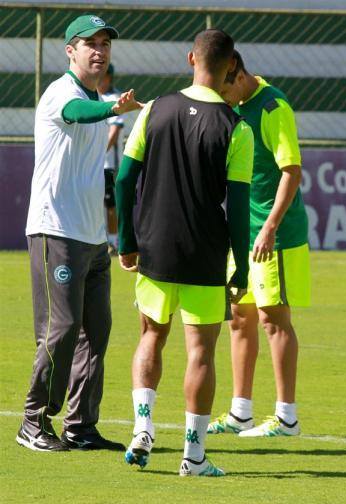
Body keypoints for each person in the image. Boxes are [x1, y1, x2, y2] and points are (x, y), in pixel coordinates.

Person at [115, 29, 253, 477]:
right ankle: (193, 456)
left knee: (151, 337)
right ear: (231, 66)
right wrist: (241, 267)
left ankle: (142, 429)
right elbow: (235, 210)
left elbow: (122, 180)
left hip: (155, 246)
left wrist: (127, 241)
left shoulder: (154, 109)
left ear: (191, 57)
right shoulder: (237, 128)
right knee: (201, 354)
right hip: (205, 254)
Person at [17, 14, 142, 453]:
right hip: (55, 232)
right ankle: (33, 421)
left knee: (97, 331)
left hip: (91, 239)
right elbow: (79, 112)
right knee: (62, 327)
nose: (99, 50)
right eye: (89, 42)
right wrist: (112, 108)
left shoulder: (102, 98)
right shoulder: (61, 94)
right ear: (70, 50)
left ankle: (80, 426)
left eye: (105, 43)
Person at [207, 50, 310, 438]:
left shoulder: (272, 106)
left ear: (235, 72)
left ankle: (287, 418)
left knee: (274, 319)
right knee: (240, 318)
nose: (221, 97)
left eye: (222, 88)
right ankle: (240, 412)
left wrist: (268, 227)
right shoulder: (234, 108)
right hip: (243, 233)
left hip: (274, 235)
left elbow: (292, 171)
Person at [98, 63, 124, 253]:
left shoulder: (115, 98)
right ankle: (98, 240)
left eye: (105, 76)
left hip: (108, 163)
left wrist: (99, 152)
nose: (102, 80)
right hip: (95, 162)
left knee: (110, 203)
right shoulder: (93, 97)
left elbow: (114, 130)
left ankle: (114, 242)